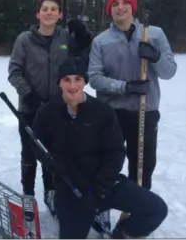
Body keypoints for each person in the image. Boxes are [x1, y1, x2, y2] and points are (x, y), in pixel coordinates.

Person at [31, 57, 168, 239]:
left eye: (78, 79)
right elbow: (35, 144)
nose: (72, 85)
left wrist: (97, 191)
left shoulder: (103, 112)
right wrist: (50, 162)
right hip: (71, 190)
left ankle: (121, 234)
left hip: (105, 185)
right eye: (66, 80)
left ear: (85, 81)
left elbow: (116, 153)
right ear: (59, 82)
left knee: (156, 209)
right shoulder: (47, 112)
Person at [87, 0, 177, 235]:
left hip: (145, 111)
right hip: (111, 113)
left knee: (143, 165)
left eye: (125, 3)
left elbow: (170, 72)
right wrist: (124, 87)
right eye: (115, 4)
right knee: (105, 164)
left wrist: (156, 57)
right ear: (110, 10)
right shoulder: (101, 41)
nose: (120, 8)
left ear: (133, 7)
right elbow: (94, 78)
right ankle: (101, 208)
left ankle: (135, 216)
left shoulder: (154, 34)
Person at [7, 0, 92, 218]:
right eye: (45, 8)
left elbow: (82, 57)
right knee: (29, 153)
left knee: (52, 155)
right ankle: (27, 195)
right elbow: (14, 72)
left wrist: (84, 35)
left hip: (56, 108)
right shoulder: (24, 40)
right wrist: (28, 94)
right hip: (30, 108)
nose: (49, 12)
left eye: (54, 9)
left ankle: (51, 193)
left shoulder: (65, 38)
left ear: (60, 14)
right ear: (38, 13)